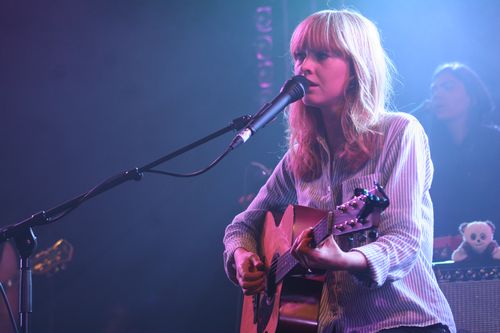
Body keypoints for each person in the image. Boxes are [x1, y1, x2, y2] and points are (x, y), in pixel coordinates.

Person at [223, 9, 456, 333]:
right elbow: (241, 225)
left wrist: (344, 260)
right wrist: (242, 257)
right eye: (299, 56)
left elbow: (403, 241)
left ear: (356, 67)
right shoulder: (300, 158)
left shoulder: (400, 133)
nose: (304, 66)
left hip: (406, 322)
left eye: (321, 55)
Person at [415, 62, 500, 239]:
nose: (437, 94)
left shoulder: (494, 141)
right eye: (434, 90)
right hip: (444, 246)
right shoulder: (429, 148)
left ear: (472, 96)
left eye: (448, 87)